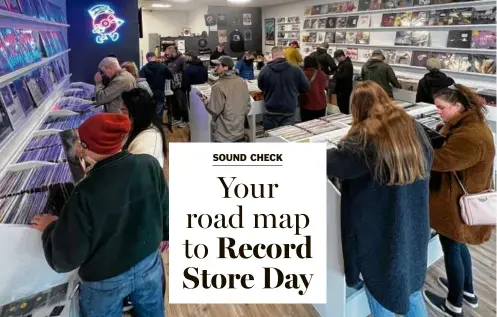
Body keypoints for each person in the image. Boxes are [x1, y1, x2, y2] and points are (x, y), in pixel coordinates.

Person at [30, 113, 169, 317]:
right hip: (148, 264)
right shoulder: (148, 164)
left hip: (105, 279)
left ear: (92, 148)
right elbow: (165, 210)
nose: (77, 148)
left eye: (82, 143)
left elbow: (65, 259)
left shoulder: (85, 192)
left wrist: (51, 227)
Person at [327, 80, 433, 317]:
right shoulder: (410, 127)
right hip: (412, 231)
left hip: (379, 240)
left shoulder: (365, 140)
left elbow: (332, 163)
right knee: (412, 292)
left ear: (357, 108)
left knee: (382, 299)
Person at [423, 85, 495, 317]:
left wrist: (416, 148)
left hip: (457, 204)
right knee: (458, 245)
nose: (439, 112)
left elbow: (442, 161)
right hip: (459, 198)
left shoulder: (470, 135)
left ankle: (453, 304)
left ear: (458, 106)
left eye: (442, 108)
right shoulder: (467, 125)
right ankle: (468, 291)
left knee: (452, 248)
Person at [257, 46, 310, 130]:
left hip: (271, 109)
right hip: (289, 109)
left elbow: (261, 86)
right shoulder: (296, 69)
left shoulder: (264, 70)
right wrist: (294, 90)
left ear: (273, 55)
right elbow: (306, 87)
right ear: (284, 54)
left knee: (270, 139)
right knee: (285, 138)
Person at [206, 56, 251, 142]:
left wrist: (205, 102)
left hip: (223, 133)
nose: (216, 68)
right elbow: (247, 105)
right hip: (239, 130)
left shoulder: (218, 86)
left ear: (226, 67)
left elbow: (214, 110)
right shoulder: (242, 81)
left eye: (218, 65)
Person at [121, 88, 167, 168]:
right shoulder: (144, 127)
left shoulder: (146, 141)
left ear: (136, 112)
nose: (120, 114)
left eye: (123, 110)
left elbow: (133, 172)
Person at [140, 52, 174, 123]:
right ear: (155, 57)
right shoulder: (163, 67)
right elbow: (170, 76)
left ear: (147, 59)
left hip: (148, 93)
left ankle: (150, 126)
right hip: (160, 91)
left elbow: (141, 81)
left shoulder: (144, 68)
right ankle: (158, 127)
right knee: (159, 110)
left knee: (149, 110)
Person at [165, 45, 188, 127]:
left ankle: (185, 120)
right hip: (172, 85)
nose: (167, 56)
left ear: (172, 52)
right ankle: (177, 119)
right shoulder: (169, 60)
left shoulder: (182, 58)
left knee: (181, 103)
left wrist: (182, 82)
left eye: (168, 54)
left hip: (180, 86)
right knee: (174, 103)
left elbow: (186, 72)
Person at [299, 56, 328, 122]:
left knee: (306, 126)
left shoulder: (303, 74)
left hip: (307, 104)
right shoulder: (322, 73)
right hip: (321, 104)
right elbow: (326, 85)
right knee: (320, 125)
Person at [333, 50, 354, 114]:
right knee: (340, 105)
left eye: (337, 58)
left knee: (344, 106)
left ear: (341, 56)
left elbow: (344, 76)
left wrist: (334, 76)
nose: (337, 60)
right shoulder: (342, 63)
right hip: (340, 89)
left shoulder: (347, 64)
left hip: (345, 89)